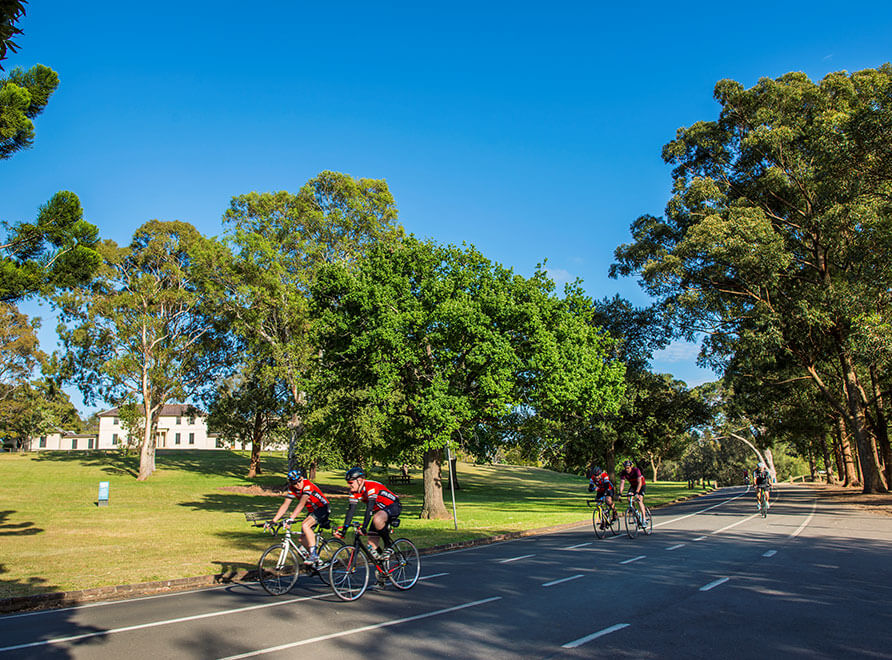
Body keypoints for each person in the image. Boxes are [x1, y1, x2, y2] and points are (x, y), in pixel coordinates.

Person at [334, 466, 402, 560]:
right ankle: (383, 566)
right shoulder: (354, 492)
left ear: (360, 481)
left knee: (377, 518)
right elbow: (351, 511)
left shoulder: (371, 487)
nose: (349, 485)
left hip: (393, 506)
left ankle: (388, 546)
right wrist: (344, 529)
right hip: (379, 511)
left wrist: (364, 527)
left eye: (350, 483)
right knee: (371, 545)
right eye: (348, 483)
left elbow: (369, 509)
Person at [268, 469, 331, 567]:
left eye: (299, 481)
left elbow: (301, 503)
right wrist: (273, 520)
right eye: (294, 483)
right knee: (302, 539)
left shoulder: (307, 485)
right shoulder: (292, 489)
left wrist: (291, 518)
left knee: (305, 525)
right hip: (312, 511)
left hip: (322, 508)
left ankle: (313, 555)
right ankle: (317, 560)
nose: (297, 485)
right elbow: (285, 504)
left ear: (302, 478)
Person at [617, 459, 648, 525]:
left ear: (631, 467)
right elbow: (622, 483)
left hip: (641, 485)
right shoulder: (623, 472)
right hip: (633, 486)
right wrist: (620, 493)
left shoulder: (636, 470)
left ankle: (644, 519)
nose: (627, 470)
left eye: (628, 468)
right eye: (625, 468)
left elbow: (639, 482)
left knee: (639, 500)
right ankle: (635, 511)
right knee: (629, 498)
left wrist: (637, 492)